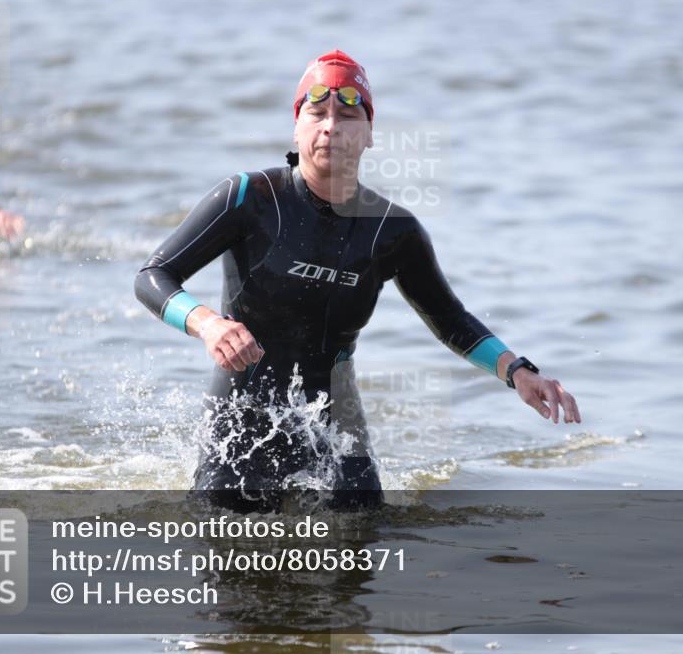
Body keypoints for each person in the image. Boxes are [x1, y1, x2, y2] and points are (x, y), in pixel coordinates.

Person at [135, 50, 581, 513]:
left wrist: (518, 372)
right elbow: (153, 276)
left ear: (369, 135)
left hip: (335, 425)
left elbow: (449, 320)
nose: (331, 126)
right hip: (242, 421)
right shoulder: (249, 199)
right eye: (317, 112)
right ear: (297, 127)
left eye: (348, 115)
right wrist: (206, 323)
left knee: (360, 546)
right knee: (234, 550)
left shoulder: (392, 230)